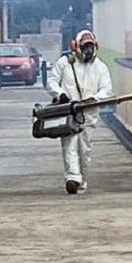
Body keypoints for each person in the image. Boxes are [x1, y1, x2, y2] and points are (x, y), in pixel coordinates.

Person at [46, 29, 113, 195]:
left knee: (84, 148)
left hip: (88, 113)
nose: (88, 50)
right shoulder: (65, 63)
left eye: (90, 46)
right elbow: (51, 82)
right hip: (68, 111)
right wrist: (60, 95)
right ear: (76, 46)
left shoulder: (100, 67)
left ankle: (82, 180)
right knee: (69, 144)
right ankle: (72, 177)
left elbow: (106, 89)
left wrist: (95, 98)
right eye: (85, 46)